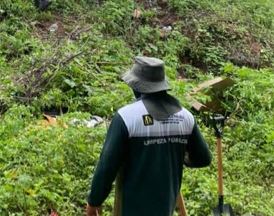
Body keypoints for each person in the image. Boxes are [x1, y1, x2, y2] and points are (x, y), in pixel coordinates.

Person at [86, 57, 212, 216]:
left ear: (137, 87)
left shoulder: (126, 117)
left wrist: (94, 201)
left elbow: (107, 167)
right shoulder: (185, 117)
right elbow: (203, 158)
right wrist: (179, 154)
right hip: (166, 208)